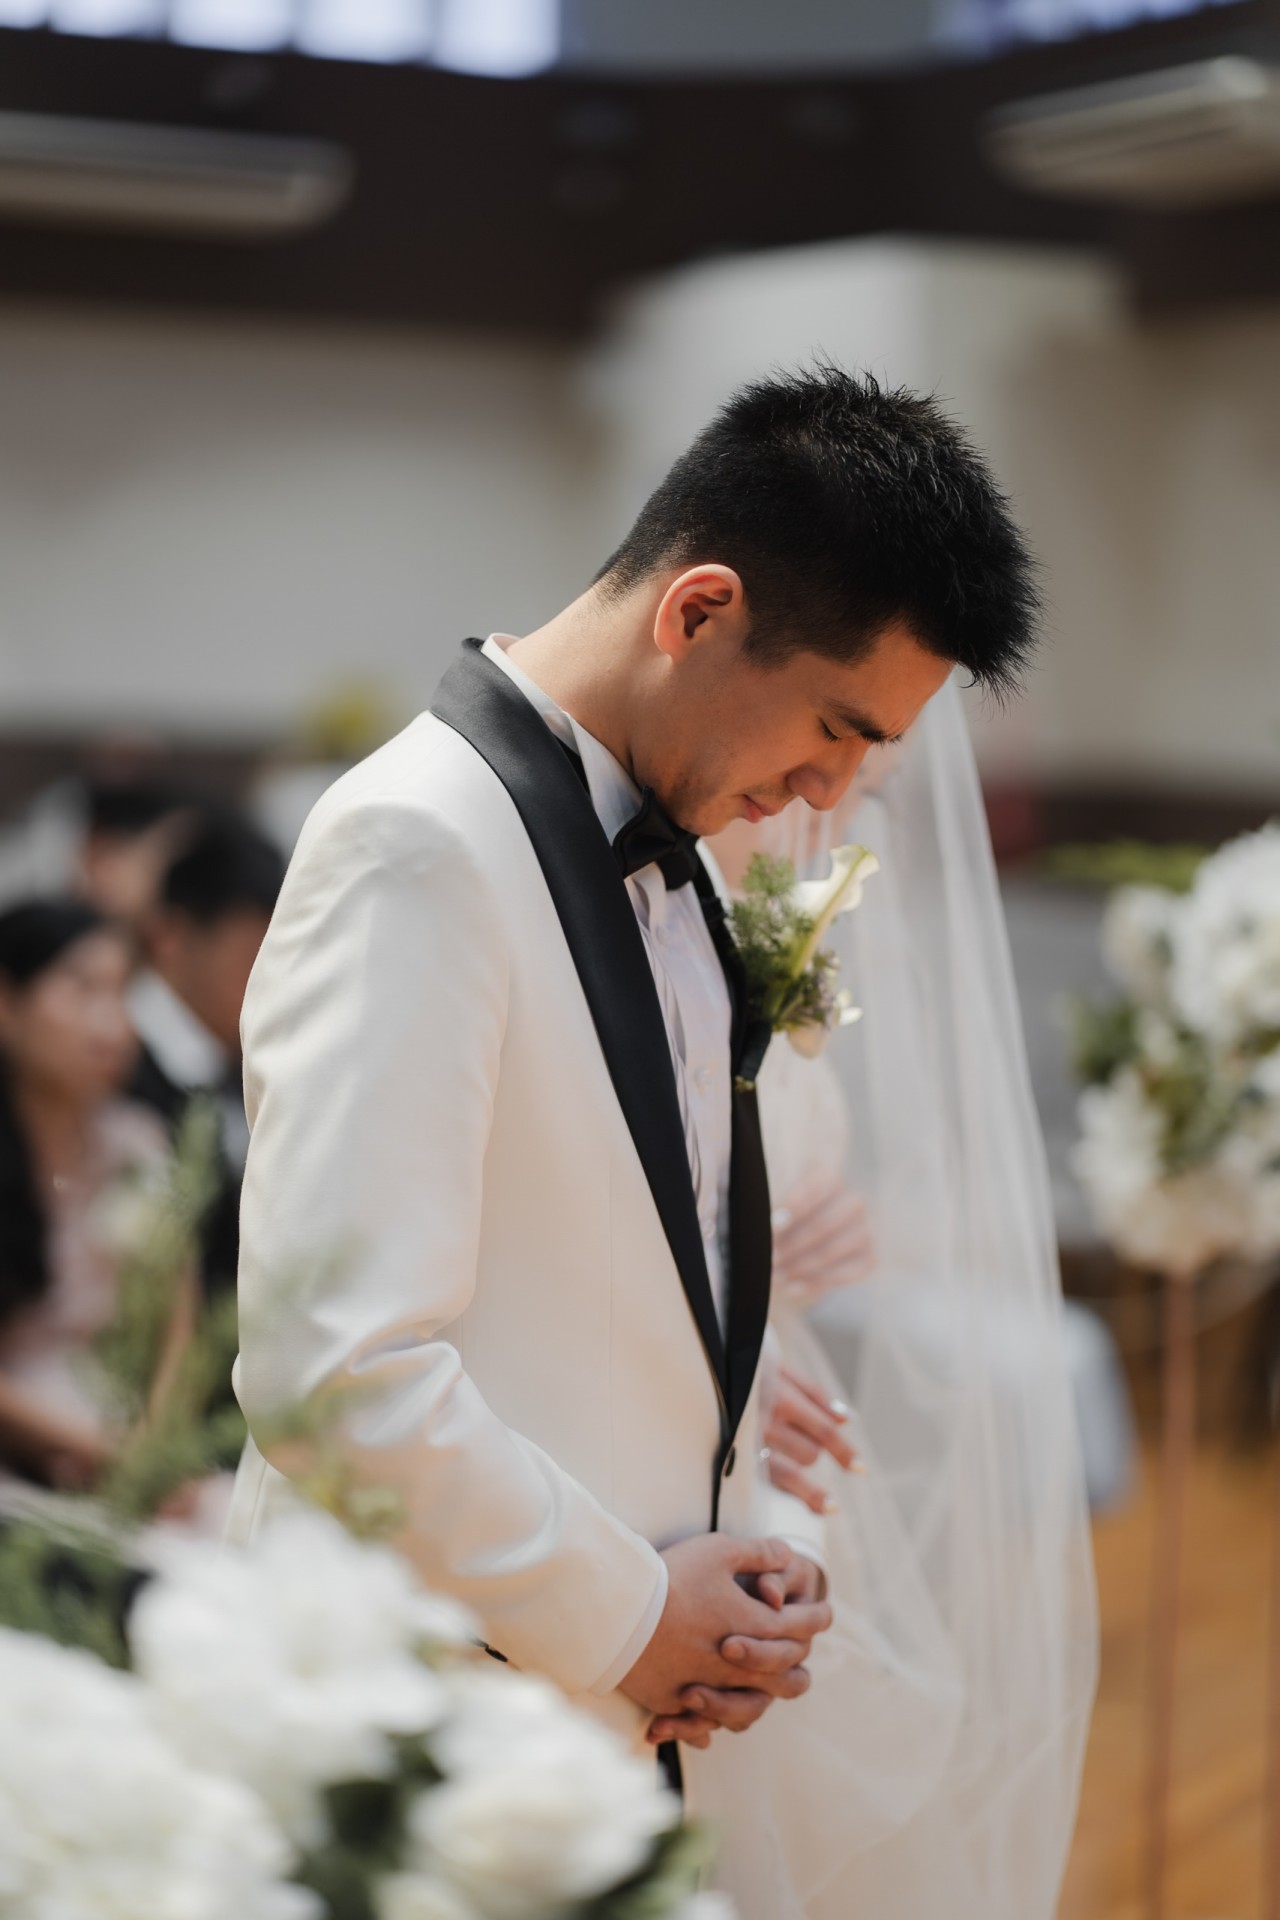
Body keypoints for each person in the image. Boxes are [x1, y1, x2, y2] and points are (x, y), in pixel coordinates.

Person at [228, 366, 1048, 1914]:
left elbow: (636, 1276)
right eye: (836, 728)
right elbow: (334, 1370)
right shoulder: (417, 841)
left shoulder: (688, 869)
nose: (834, 791)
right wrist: (624, 1612)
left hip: (605, 1723)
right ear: (701, 610)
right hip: (433, 1710)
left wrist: (744, 1525)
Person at [0, 900, 175, 1492]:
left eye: (123, 992)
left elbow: (177, 1322)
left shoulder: (137, 1145)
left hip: (118, 1444)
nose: (112, 1025)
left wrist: (153, 1445)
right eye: (83, 989)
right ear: (7, 1002)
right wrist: (93, 1450)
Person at [131, 813, 284, 1299]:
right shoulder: (118, 1071)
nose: (272, 986)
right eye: (250, 960)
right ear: (170, 938)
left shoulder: (248, 1061)